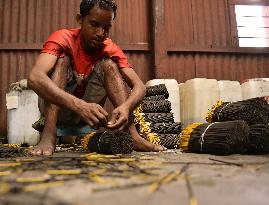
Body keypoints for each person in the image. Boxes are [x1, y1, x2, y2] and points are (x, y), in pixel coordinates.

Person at [28, 0, 165, 155]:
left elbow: (139, 86)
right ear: (80, 19)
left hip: (89, 115)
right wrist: (80, 106)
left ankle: (132, 135)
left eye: (106, 28)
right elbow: (34, 78)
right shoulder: (63, 38)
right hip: (60, 109)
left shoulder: (109, 48)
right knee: (62, 59)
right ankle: (49, 133)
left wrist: (126, 108)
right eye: (94, 24)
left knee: (109, 65)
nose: (101, 33)